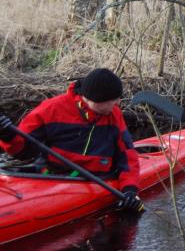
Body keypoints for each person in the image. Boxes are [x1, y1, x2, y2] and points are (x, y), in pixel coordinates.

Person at [0, 68, 144, 212]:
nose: (118, 103)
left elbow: (127, 156)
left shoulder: (114, 115)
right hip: (51, 178)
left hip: (97, 179)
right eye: (113, 100)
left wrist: (130, 190)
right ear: (96, 100)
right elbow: (22, 152)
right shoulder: (51, 109)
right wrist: (8, 136)